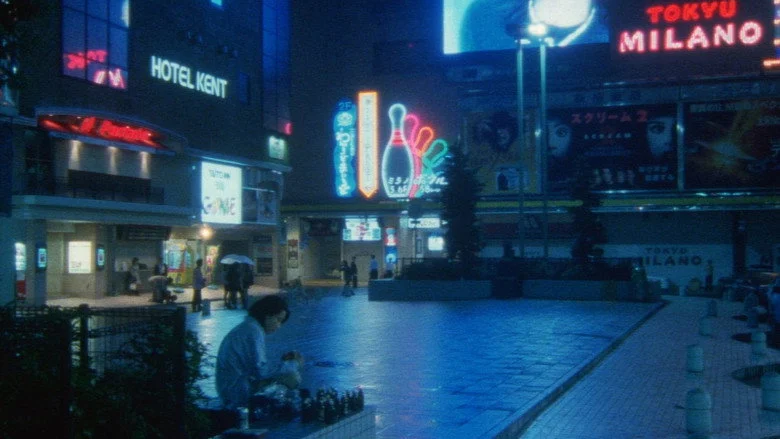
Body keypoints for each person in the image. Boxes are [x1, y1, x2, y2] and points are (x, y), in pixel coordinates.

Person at [215, 295, 303, 411]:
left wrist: (283, 363)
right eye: (278, 320)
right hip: (236, 391)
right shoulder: (253, 331)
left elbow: (256, 366)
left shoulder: (249, 327)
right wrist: (292, 364)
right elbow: (261, 371)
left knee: (287, 376)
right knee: (292, 377)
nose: (278, 326)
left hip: (231, 387)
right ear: (267, 315)